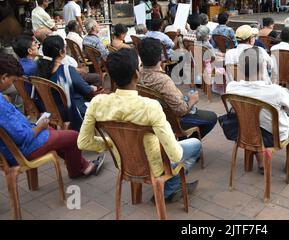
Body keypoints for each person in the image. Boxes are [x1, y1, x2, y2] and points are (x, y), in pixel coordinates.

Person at [78, 48, 201, 202]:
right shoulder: (150, 106)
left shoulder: (97, 102)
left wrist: (114, 143)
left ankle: (172, 184)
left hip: (123, 162)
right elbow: (175, 154)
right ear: (137, 74)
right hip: (154, 166)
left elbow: (83, 142)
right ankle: (171, 187)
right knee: (195, 144)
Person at [0, 53, 104, 179]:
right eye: (13, 81)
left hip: (12, 149)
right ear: (4, 77)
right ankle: (76, 171)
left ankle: (83, 166)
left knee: (55, 132)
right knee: (73, 136)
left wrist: (39, 126)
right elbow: (24, 137)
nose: (13, 84)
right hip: (21, 151)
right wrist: (39, 126)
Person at [226, 47, 289, 174]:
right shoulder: (275, 91)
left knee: (255, 121)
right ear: (263, 65)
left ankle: (261, 161)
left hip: (245, 133)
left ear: (239, 68)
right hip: (273, 137)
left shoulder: (231, 88)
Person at [139, 38, 218, 138]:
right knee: (212, 117)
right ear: (160, 56)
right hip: (172, 119)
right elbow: (181, 110)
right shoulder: (163, 80)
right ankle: (190, 142)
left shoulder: (138, 74)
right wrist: (192, 100)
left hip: (152, 115)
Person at [37, 36, 96, 131]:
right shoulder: (66, 70)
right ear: (61, 52)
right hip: (72, 111)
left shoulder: (39, 70)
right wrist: (93, 88)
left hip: (50, 111)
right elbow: (86, 90)